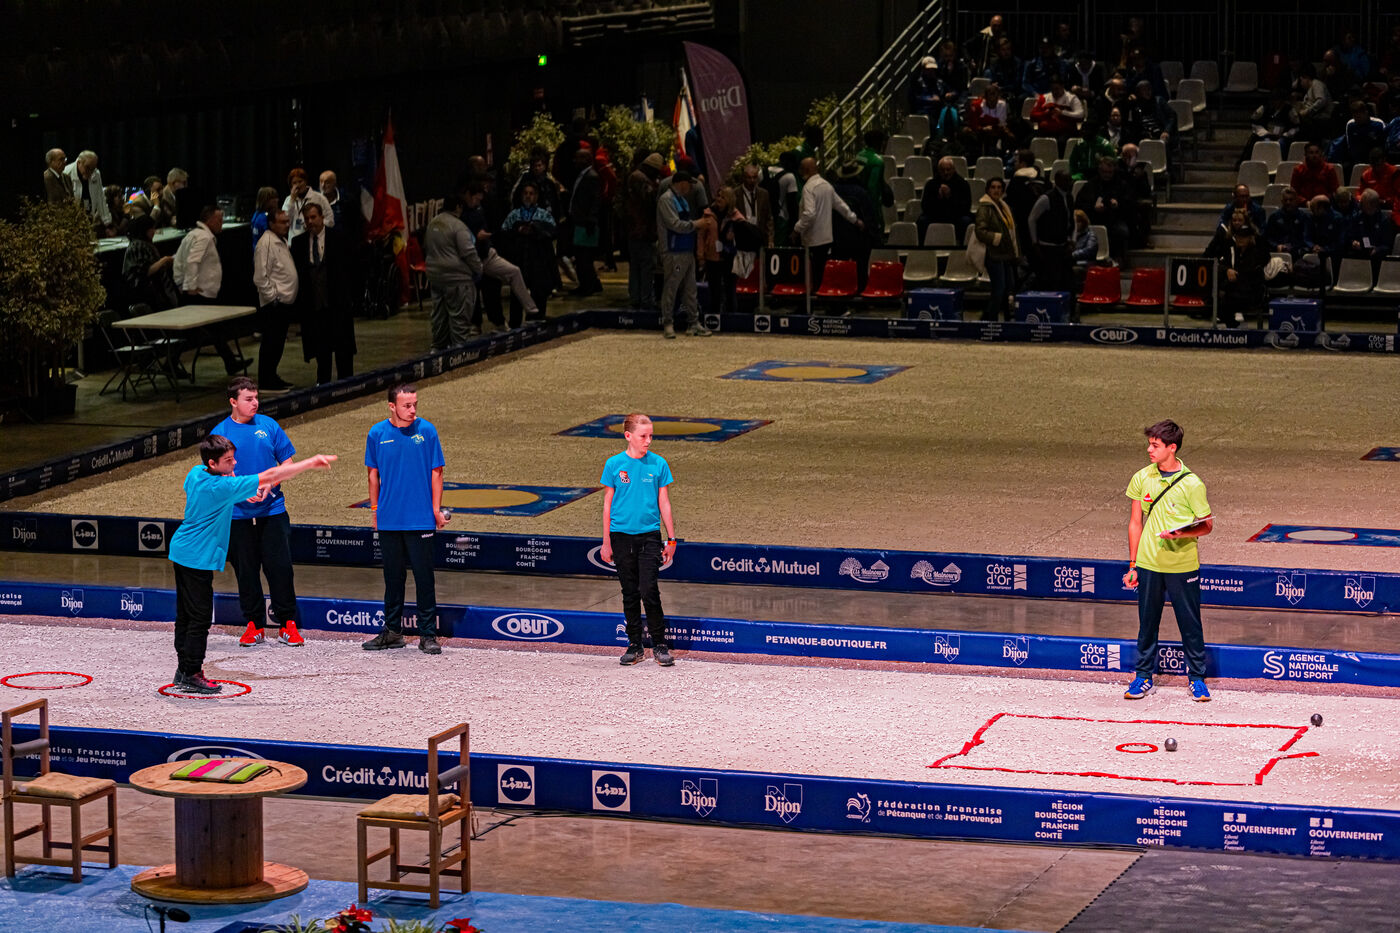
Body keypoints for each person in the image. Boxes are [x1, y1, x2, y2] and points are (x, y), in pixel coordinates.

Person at [167, 435, 335, 694]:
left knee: (185, 615)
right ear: (213, 463)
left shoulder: (196, 473)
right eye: (228, 460)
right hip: (196, 556)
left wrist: (234, 482)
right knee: (199, 617)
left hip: (182, 550)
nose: (234, 463)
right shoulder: (220, 487)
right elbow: (270, 475)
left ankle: (183, 669)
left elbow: (227, 482)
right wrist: (310, 463)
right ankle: (192, 673)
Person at [1122, 420, 1213, 703]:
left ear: (1172, 448)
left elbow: (1207, 525)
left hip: (1182, 565)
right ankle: (1143, 676)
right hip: (1148, 563)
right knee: (1147, 623)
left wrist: (1181, 533)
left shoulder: (1192, 483)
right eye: (1149, 444)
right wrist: (1133, 565)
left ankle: (1197, 679)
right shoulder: (1142, 477)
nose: (1149, 450)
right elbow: (1135, 523)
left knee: (1190, 623)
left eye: (1155, 445)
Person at [212, 378, 305, 648]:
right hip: (237, 516)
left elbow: (287, 463)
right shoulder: (220, 433)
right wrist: (243, 491)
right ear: (233, 401)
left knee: (281, 569)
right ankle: (254, 625)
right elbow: (216, 475)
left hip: (272, 511)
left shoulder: (269, 425)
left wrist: (269, 484)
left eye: (256, 398)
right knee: (246, 571)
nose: (255, 403)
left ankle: (288, 625)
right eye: (248, 399)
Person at [363, 384, 448, 655]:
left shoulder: (427, 430)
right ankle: (392, 632)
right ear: (392, 406)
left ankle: (428, 635)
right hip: (389, 519)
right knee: (393, 578)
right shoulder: (377, 433)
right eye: (406, 405)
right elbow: (373, 475)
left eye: (415, 405)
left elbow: (437, 472)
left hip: (420, 519)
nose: (412, 410)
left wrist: (435, 510)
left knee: (424, 579)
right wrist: (375, 510)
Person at [599, 413, 678, 668]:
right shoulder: (614, 464)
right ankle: (635, 645)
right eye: (643, 436)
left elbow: (664, 502)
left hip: (649, 537)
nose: (648, 441)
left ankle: (660, 644)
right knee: (629, 592)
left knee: (649, 590)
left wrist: (671, 539)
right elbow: (607, 505)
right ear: (628, 436)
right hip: (620, 537)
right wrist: (606, 542)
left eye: (650, 435)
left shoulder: (658, 464)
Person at [291, 202, 356, 383]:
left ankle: (347, 383)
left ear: (322, 217)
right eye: (307, 219)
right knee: (321, 350)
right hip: (315, 307)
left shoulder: (338, 238)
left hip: (337, 303)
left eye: (313, 217)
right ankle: (323, 386)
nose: (310, 222)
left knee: (343, 348)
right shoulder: (298, 243)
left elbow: (351, 267)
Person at [423, 193, 483, 349]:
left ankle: (437, 350)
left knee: (439, 317)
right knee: (459, 319)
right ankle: (459, 352)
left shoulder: (432, 224)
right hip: (458, 280)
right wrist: (479, 269)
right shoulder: (458, 226)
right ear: (458, 207)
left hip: (436, 278)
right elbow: (468, 252)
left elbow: (427, 248)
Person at [791, 158, 862, 291]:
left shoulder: (808, 188)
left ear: (805, 170)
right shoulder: (827, 186)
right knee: (822, 273)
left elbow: (810, 214)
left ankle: (812, 299)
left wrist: (797, 229)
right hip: (826, 239)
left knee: (813, 275)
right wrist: (855, 220)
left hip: (812, 239)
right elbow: (841, 206)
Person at [657, 170, 709, 339]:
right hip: (673, 251)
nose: (691, 188)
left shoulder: (681, 200)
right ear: (682, 183)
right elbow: (674, 224)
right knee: (671, 287)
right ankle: (667, 323)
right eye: (689, 184)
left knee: (690, 288)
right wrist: (697, 224)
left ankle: (693, 322)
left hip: (686, 248)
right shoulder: (666, 200)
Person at [251, 208, 298, 389]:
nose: (287, 225)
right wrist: (273, 298)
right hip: (274, 304)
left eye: (287, 222)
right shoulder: (266, 244)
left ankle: (272, 375)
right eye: (282, 222)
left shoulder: (281, 241)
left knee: (277, 343)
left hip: (284, 303)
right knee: (271, 342)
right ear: (271, 224)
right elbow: (260, 277)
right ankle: (266, 379)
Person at [499, 180, 557, 321]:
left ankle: (537, 322)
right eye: (525, 193)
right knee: (517, 294)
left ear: (536, 196)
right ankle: (515, 324)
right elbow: (503, 234)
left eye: (531, 193)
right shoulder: (514, 215)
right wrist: (518, 230)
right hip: (519, 260)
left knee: (539, 293)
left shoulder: (544, 215)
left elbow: (553, 232)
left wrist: (535, 229)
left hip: (538, 261)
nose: (528, 196)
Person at [975, 176, 1019, 321]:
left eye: (999, 187)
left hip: (1005, 253)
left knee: (1007, 289)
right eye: (993, 187)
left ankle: (1005, 320)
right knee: (999, 290)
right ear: (988, 190)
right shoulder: (985, 208)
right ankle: (990, 320)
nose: (996, 190)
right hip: (993, 253)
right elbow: (980, 231)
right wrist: (996, 238)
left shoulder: (1003, 206)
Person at [625, 153, 664, 311]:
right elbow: (650, 201)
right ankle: (645, 299)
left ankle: (636, 297)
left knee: (635, 267)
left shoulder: (634, 176)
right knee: (646, 267)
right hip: (643, 230)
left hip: (634, 229)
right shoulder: (641, 180)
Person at [697, 186, 745, 316]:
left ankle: (732, 319)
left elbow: (744, 234)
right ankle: (714, 319)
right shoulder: (708, 214)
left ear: (729, 200)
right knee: (714, 291)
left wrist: (734, 235)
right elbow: (701, 236)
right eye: (718, 196)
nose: (719, 199)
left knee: (730, 291)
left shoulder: (736, 216)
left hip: (729, 259)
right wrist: (700, 256)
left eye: (723, 197)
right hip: (712, 258)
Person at [1027, 170, 1076, 290]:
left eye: (1069, 180)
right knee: (1051, 281)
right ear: (1057, 181)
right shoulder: (1046, 198)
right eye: (1066, 180)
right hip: (1048, 247)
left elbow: (1072, 220)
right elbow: (1032, 219)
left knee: (1066, 281)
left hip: (1064, 246)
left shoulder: (1069, 197)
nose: (1069, 182)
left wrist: (1072, 241)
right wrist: (1035, 242)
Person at [567, 148, 604, 297]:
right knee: (581, 256)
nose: (575, 161)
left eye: (578, 158)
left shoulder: (591, 177)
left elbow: (596, 200)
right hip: (580, 221)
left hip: (585, 223)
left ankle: (587, 286)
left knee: (584, 257)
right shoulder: (584, 175)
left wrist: (591, 219)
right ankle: (591, 283)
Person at [918, 156, 974, 243]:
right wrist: (938, 198)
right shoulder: (931, 184)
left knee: (966, 221)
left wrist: (950, 197)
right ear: (938, 170)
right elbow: (925, 206)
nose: (946, 172)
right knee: (922, 221)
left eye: (948, 169)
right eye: (942, 170)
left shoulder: (962, 184)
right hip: (936, 216)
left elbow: (966, 207)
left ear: (953, 169)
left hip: (956, 216)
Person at [62, 150, 112, 235]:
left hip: (88, 218)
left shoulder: (96, 174)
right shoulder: (66, 173)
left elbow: (100, 198)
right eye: (88, 168)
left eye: (93, 168)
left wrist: (108, 223)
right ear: (79, 163)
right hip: (71, 222)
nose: (90, 172)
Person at [283, 167, 333, 241]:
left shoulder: (319, 198)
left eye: (300, 181)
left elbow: (330, 220)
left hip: (315, 239)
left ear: (306, 181)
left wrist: (316, 225)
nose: (298, 185)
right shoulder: (288, 200)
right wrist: (292, 200)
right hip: (295, 240)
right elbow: (285, 220)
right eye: (294, 183)